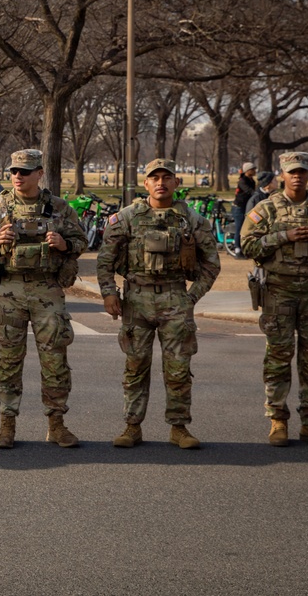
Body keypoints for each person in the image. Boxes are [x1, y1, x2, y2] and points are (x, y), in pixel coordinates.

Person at [0, 149, 87, 449]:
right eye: (15, 171)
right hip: (9, 292)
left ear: (40, 173)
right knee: (9, 361)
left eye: (25, 171)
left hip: (47, 290)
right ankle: (6, 426)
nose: (18, 176)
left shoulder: (59, 208)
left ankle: (56, 425)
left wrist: (64, 244)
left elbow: (82, 241)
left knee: (55, 361)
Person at [97, 158, 221, 449]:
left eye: (167, 177)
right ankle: (131, 426)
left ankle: (179, 428)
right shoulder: (126, 217)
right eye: (155, 178)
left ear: (177, 183)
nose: (161, 182)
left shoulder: (193, 220)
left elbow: (211, 265)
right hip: (136, 300)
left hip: (175, 299)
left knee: (178, 369)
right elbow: (105, 261)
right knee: (135, 366)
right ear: (146, 183)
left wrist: (191, 297)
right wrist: (109, 292)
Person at [240, 151, 308, 447]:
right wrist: (284, 237)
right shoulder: (266, 209)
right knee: (278, 357)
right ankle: (278, 420)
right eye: (292, 172)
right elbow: (247, 245)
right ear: (282, 174)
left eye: (302, 171)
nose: (297, 176)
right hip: (278, 292)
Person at [232, 161, 258, 258]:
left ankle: (244, 247)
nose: (255, 171)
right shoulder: (242, 180)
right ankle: (237, 249)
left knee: (246, 228)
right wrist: (256, 194)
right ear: (248, 171)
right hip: (238, 207)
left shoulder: (252, 181)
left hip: (247, 207)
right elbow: (249, 191)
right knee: (239, 228)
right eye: (253, 169)